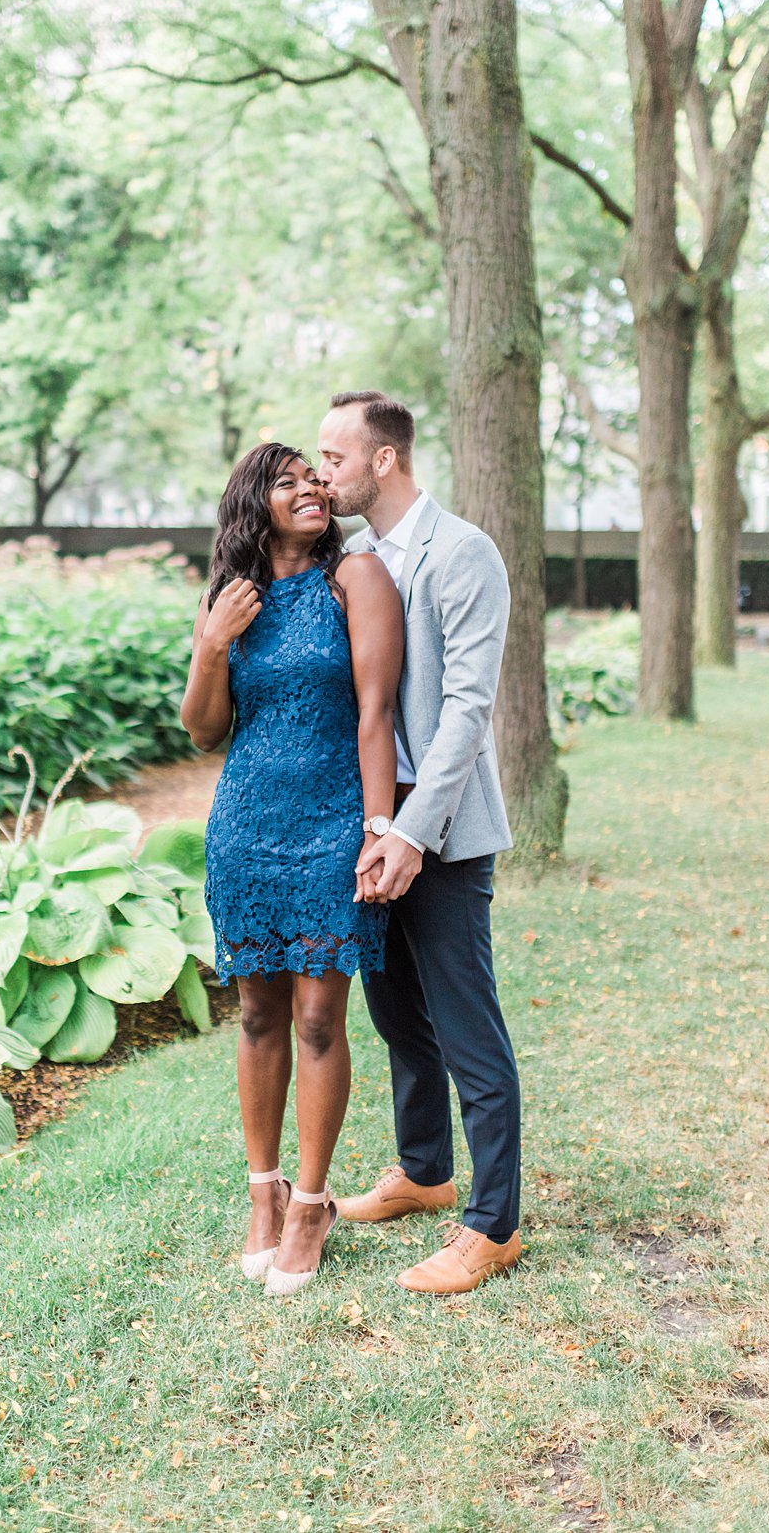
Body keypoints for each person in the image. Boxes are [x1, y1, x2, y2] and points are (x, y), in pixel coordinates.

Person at [180, 442, 403, 1297]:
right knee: (256, 1012)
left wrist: (378, 829)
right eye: (290, 480)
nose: (312, 486)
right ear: (253, 502)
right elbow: (203, 731)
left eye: (317, 476)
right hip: (245, 823)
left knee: (317, 1015)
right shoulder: (230, 599)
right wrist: (212, 645)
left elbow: (376, 712)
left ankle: (312, 1203)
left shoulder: (357, 581)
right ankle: (262, 1195)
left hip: (332, 821)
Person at [316, 391, 522, 1295]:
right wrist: (371, 821)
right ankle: (426, 1172)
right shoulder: (355, 560)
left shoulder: (464, 553)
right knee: (396, 1012)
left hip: (441, 828)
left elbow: (469, 711)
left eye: (334, 458)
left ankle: (494, 1224)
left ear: (384, 459)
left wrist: (412, 829)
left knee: (467, 1025)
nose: (324, 475)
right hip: (371, 817)